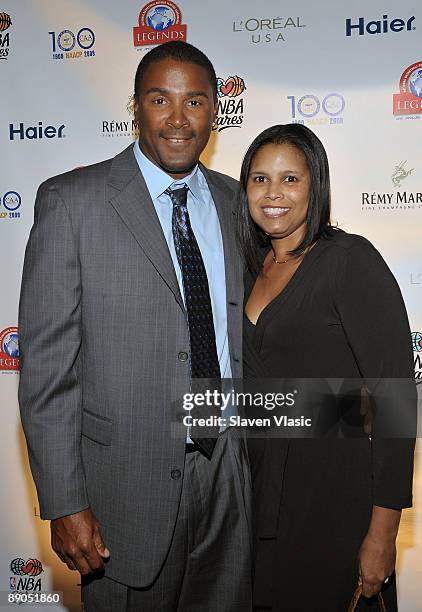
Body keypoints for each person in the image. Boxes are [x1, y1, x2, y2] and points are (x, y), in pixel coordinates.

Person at [18, 41, 252, 612]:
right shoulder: (72, 202)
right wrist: (64, 502)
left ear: (215, 110)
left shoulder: (235, 202)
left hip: (227, 477)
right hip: (123, 491)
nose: (178, 118)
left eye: (195, 101)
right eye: (160, 99)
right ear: (135, 108)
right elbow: (47, 372)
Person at [236, 123, 416, 611]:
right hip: (260, 501)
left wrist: (382, 534)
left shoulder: (349, 261)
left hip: (336, 501)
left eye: (290, 179)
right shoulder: (250, 269)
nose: (273, 194)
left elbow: (395, 399)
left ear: (316, 186)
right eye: (259, 179)